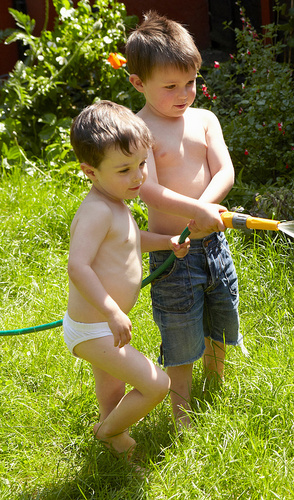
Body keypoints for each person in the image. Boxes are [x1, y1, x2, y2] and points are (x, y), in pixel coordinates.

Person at [125, 12, 241, 430]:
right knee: (181, 331)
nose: (184, 94)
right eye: (170, 87)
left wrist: (204, 211)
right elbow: (149, 190)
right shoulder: (140, 130)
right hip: (174, 250)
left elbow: (225, 171)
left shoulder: (206, 120)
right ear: (138, 83)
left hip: (213, 245)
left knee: (221, 315)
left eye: (190, 82)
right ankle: (183, 415)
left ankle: (218, 386)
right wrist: (196, 216)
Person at [65, 100, 190, 461]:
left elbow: (133, 240)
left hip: (103, 327)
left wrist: (166, 243)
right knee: (156, 384)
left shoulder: (117, 203)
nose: (138, 177)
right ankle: (107, 433)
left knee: (112, 392)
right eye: (124, 169)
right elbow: (78, 267)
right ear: (90, 172)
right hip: (95, 328)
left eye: (142, 164)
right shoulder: (96, 212)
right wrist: (112, 311)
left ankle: (116, 449)